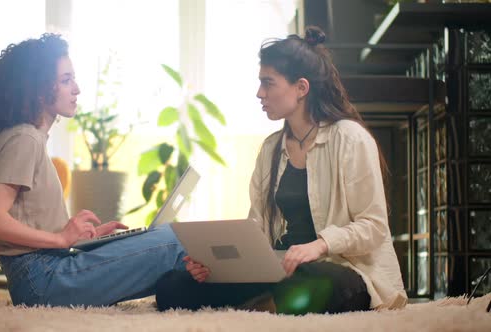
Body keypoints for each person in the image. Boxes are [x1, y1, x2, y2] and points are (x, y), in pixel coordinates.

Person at [155, 26, 407, 314]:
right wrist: (216, 266)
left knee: (320, 285)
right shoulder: (271, 148)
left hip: (337, 268)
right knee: (171, 287)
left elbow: (374, 227)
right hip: (281, 267)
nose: (259, 93)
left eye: (268, 83)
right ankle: (267, 303)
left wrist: (321, 245)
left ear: (301, 88)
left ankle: (259, 304)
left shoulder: (350, 138)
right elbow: (257, 227)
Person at [0, 33, 185, 307]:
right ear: (38, 89)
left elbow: (26, 219)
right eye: (66, 80)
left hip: (46, 272)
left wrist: (84, 238)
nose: (76, 89)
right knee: (173, 240)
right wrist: (60, 238)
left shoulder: (24, 137)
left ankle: (179, 291)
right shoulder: (24, 139)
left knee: (168, 237)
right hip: (41, 282)